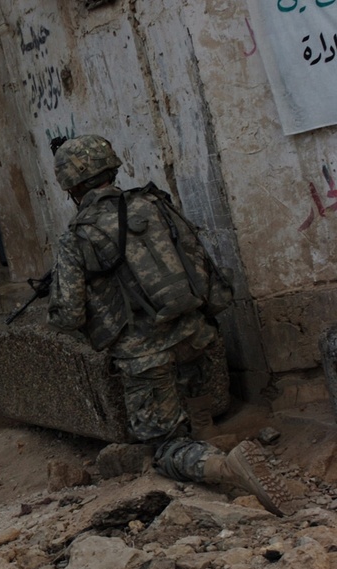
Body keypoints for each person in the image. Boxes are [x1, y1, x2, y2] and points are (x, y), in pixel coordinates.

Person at [47, 134, 294, 516]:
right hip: (198, 338)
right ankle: (206, 430)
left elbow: (68, 315)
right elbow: (201, 264)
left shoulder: (76, 237)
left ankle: (225, 467)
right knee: (195, 412)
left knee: (163, 447)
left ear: (72, 186)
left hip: (148, 361)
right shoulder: (154, 204)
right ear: (111, 169)